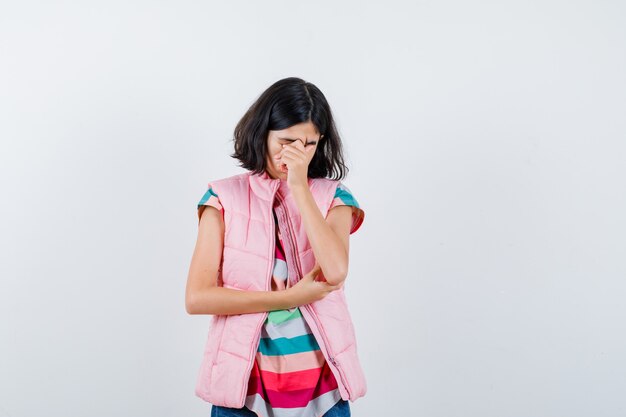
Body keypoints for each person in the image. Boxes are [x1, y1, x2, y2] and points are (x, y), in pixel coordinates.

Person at [186, 77, 366, 417]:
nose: (296, 153)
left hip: (322, 394)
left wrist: (299, 187)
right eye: (286, 141)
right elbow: (197, 298)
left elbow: (335, 271)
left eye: (308, 144)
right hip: (243, 394)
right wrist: (286, 299)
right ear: (262, 133)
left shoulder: (334, 197)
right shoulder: (222, 198)